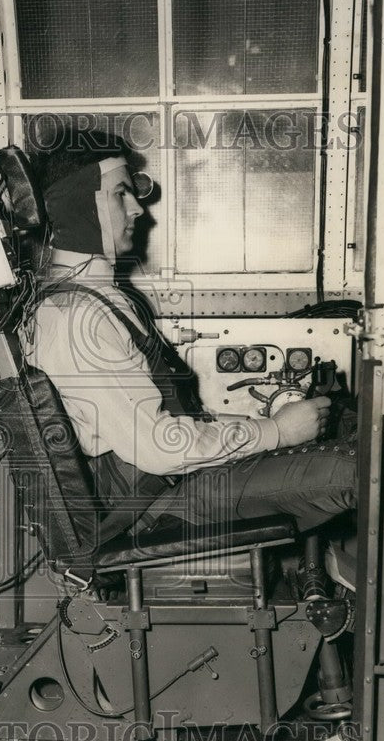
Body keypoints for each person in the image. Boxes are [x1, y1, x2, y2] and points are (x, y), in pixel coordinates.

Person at [22, 129, 356, 542]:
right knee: (356, 470)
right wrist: (277, 432)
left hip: (159, 486)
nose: (138, 209)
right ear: (80, 207)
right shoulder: (79, 316)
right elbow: (157, 449)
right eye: (121, 194)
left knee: (349, 432)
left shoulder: (88, 299)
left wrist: (265, 426)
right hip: (152, 504)